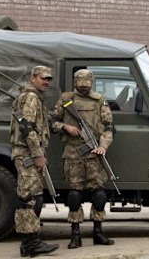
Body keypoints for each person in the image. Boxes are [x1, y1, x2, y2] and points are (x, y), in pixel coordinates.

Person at [51, 69, 115, 249]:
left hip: (94, 153)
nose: (85, 88)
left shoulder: (99, 100)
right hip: (72, 152)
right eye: (81, 84)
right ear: (75, 82)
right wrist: (66, 127)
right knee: (74, 194)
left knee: (99, 194)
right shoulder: (65, 100)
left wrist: (103, 146)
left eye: (88, 85)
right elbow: (53, 122)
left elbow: (109, 127)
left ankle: (98, 232)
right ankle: (75, 234)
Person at [10, 65, 59, 258]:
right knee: (31, 198)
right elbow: (27, 128)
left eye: (48, 79)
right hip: (27, 154)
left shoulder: (32, 97)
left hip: (26, 153)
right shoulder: (31, 98)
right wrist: (38, 154)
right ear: (33, 79)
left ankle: (28, 244)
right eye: (42, 78)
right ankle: (31, 244)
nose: (46, 82)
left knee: (28, 197)